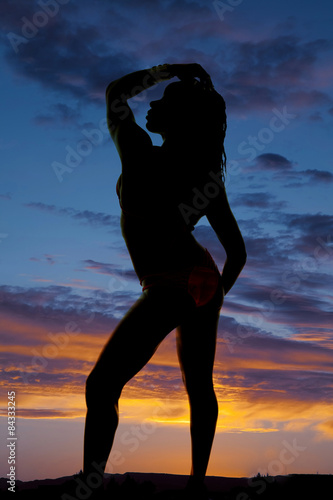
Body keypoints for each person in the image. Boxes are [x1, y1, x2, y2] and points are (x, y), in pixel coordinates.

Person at [83, 63, 246, 499]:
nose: (154, 104)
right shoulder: (204, 175)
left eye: (166, 102)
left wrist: (169, 68)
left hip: (172, 283)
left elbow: (116, 91)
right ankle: (195, 487)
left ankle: (87, 488)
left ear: (182, 118)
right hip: (199, 280)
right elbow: (237, 253)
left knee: (101, 385)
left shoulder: (137, 150)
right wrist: (210, 300)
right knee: (198, 385)